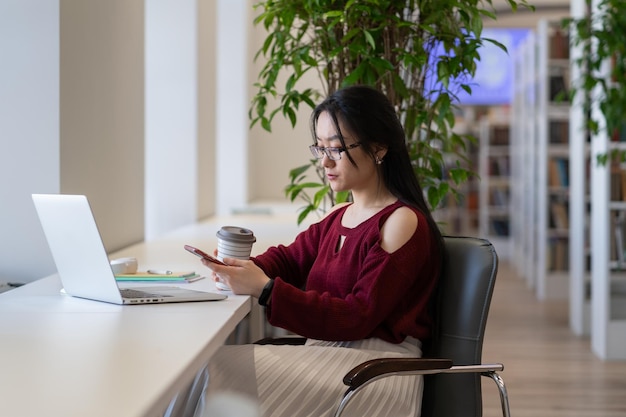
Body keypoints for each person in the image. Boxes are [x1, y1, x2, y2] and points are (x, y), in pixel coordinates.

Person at [197, 85, 443, 417]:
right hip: (330, 355)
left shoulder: (401, 222)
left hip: (376, 370)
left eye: (337, 149)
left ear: (379, 148)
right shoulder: (338, 216)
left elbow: (358, 315)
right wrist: (237, 267)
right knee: (206, 367)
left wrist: (265, 289)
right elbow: (288, 259)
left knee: (215, 368)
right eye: (320, 147)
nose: (324, 161)